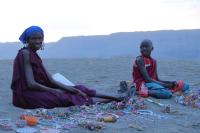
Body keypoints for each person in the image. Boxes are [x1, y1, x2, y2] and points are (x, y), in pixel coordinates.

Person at [11, 26, 127, 109]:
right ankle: (114, 99)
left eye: (40, 38)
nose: (38, 41)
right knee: (67, 98)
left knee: (79, 89)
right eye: (34, 38)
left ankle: (116, 96)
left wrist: (72, 89)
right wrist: (55, 90)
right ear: (27, 40)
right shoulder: (25, 54)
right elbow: (31, 84)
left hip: (40, 89)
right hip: (28, 95)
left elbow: (50, 80)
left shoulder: (34, 54)